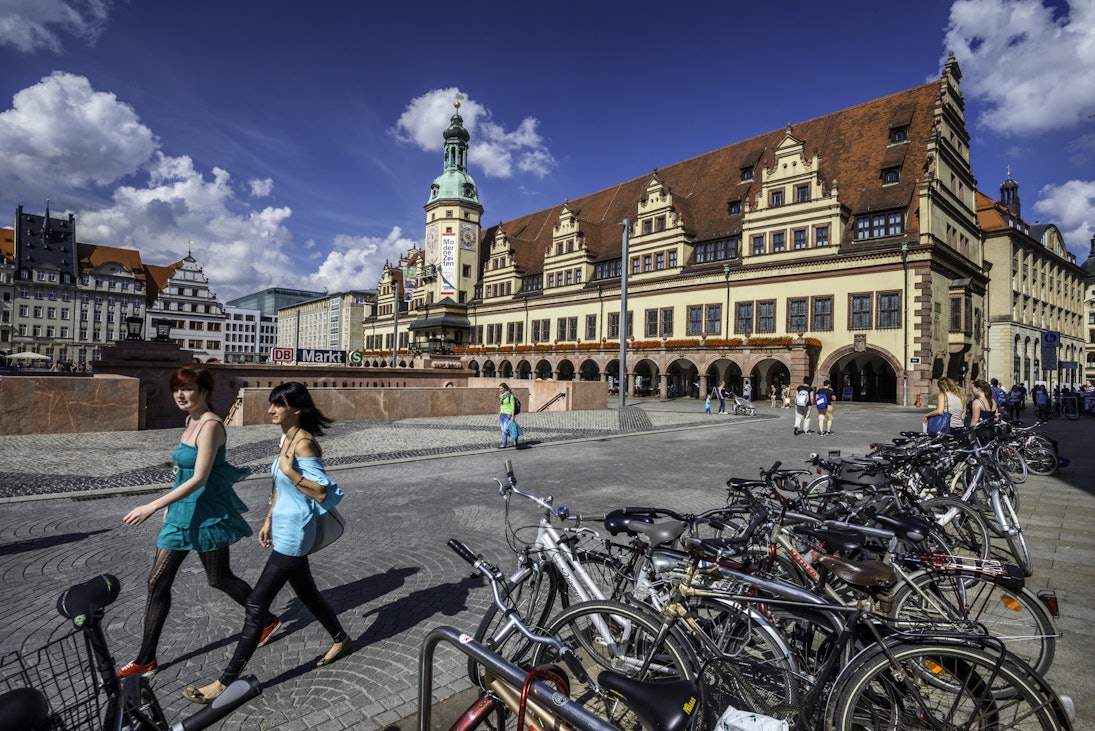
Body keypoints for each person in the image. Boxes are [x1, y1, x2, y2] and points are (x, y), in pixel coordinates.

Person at [184, 382, 350, 705]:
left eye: (279, 405)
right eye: (271, 404)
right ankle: (341, 639)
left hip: (297, 531)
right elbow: (279, 485)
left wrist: (291, 471)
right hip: (284, 524)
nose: (271, 410)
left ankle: (223, 683)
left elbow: (323, 492)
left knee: (257, 605)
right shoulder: (285, 437)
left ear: (296, 409)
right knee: (309, 595)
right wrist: (268, 518)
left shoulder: (304, 444)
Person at [118, 366, 277, 679]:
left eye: (188, 388)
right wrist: (170, 507)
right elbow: (182, 472)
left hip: (206, 513)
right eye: (177, 389)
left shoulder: (211, 425)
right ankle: (146, 659)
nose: (180, 395)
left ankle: (266, 620)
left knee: (219, 579)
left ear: (205, 391)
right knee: (157, 581)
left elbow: (201, 477)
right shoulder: (189, 420)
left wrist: (153, 504)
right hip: (180, 515)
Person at [498, 383, 517, 448]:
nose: (500, 390)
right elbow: (501, 406)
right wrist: (500, 413)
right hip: (502, 414)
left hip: (508, 414)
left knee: (505, 430)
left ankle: (514, 437)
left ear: (505, 388)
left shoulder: (510, 396)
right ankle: (504, 444)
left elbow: (513, 407)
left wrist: (512, 416)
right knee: (503, 430)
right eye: (499, 388)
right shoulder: (501, 396)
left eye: (501, 388)